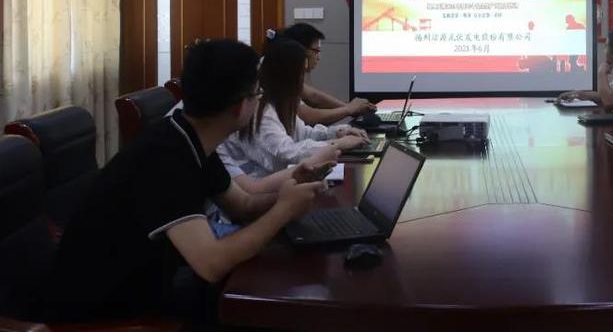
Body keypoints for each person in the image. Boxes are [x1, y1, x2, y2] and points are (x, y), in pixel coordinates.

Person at [47, 40, 328, 322]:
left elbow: (242, 204)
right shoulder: (165, 156)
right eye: (258, 94)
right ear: (241, 106)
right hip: (101, 315)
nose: (260, 102)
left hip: (147, 283)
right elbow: (211, 264)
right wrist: (283, 211)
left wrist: (289, 193)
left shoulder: (191, 135)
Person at [219, 38, 370, 178]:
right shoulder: (260, 109)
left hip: (268, 185)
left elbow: (302, 133)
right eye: (301, 74)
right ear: (287, 76)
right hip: (259, 185)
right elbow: (287, 154)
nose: (302, 82)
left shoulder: (280, 102)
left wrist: (338, 133)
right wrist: (338, 144)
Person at [278, 23, 378, 126]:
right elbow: (308, 116)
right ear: (301, 50)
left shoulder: (288, 73)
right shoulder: (280, 76)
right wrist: (348, 109)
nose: (318, 57)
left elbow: (313, 96)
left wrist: (350, 107)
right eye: (316, 51)